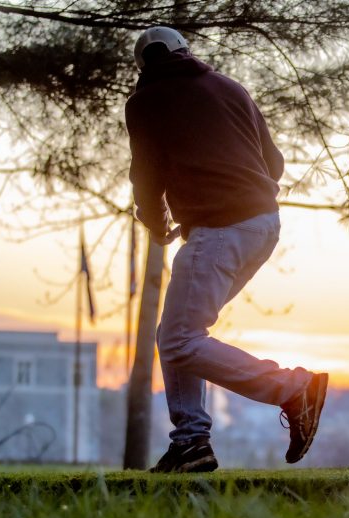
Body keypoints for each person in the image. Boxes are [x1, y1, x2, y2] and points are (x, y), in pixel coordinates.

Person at [125, 26, 329, 473]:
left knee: (179, 338)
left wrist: (158, 226)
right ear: (185, 51)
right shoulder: (229, 87)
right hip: (263, 224)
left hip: (219, 229)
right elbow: (273, 163)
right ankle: (191, 443)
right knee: (179, 334)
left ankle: (292, 389)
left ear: (144, 67)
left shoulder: (144, 103)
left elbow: (146, 177)